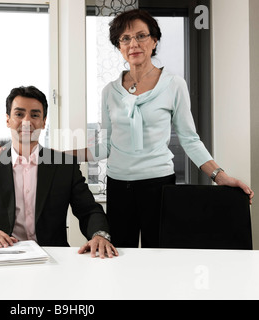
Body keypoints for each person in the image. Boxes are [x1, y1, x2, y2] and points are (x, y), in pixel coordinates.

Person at [69, 9, 254, 248]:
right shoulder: (109, 92)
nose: (133, 43)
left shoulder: (174, 85)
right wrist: (55, 155)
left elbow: (189, 139)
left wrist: (221, 177)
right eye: (125, 38)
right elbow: (103, 147)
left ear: (154, 41)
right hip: (118, 184)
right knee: (119, 254)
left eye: (141, 36)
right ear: (119, 46)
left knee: (159, 255)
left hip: (158, 184)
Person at [0, 86, 118, 259]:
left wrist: (99, 235)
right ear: (8, 119)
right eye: (19, 114)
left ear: (43, 122)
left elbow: (89, 210)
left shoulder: (64, 165)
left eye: (35, 115)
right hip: (0, 255)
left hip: (54, 259)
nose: (27, 121)